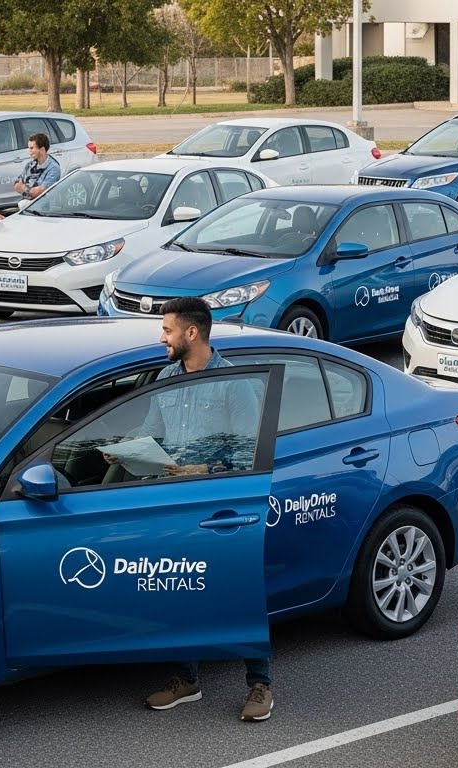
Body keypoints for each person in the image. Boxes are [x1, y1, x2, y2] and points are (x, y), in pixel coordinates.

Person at [137, 297, 274, 722]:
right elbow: (152, 435)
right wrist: (128, 454)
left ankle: (260, 684)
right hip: (175, 505)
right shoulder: (166, 377)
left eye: (168, 330)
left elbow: (251, 448)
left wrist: (207, 467)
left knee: (239, 594)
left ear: (191, 333)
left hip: (221, 507)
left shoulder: (234, 384)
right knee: (177, 590)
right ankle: (186, 678)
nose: (162, 337)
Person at [14, 132, 61, 202]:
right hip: (26, 205)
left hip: (43, 207)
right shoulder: (29, 165)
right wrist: (28, 190)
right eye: (29, 148)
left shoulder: (54, 169)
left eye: (32, 148)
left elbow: (39, 192)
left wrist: (23, 188)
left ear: (42, 150)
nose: (29, 151)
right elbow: (17, 185)